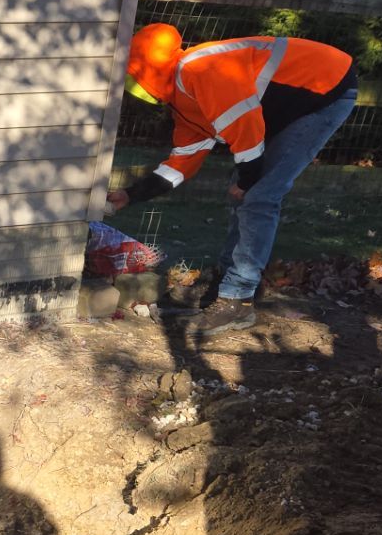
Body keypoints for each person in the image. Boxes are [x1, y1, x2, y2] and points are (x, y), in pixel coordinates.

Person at [107, 23, 358, 340]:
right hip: (294, 98)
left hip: (325, 89)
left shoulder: (202, 72)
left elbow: (248, 136)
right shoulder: (184, 104)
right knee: (247, 194)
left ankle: (237, 299)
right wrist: (131, 195)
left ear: (146, 69)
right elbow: (181, 163)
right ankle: (225, 284)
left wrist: (249, 180)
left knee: (260, 195)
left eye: (132, 74)